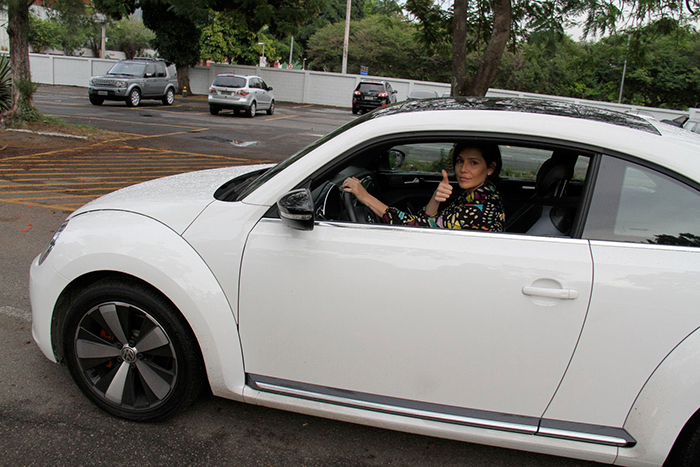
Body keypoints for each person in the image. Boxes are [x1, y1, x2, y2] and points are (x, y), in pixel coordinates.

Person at [342, 143, 505, 232]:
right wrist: (435, 198)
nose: (463, 169)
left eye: (473, 163)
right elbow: (430, 222)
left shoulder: (479, 210)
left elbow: (415, 227)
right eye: (460, 161)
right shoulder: (478, 196)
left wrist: (366, 198)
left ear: (490, 168)